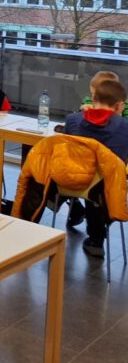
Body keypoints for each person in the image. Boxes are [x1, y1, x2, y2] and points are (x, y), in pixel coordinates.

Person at [62, 78, 128, 257]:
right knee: (102, 179)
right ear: (119, 106)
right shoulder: (125, 128)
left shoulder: (72, 120)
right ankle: (96, 239)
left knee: (85, 174)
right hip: (107, 192)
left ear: (93, 99)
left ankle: (75, 211)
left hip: (70, 182)